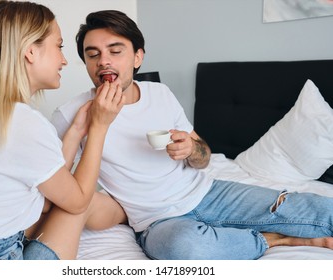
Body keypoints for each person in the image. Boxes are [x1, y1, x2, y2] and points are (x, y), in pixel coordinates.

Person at [51, 9, 333, 260]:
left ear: (138, 56)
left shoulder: (160, 93)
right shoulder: (72, 113)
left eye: (116, 51)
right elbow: (57, 185)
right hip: (156, 220)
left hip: (210, 192)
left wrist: (190, 149)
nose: (104, 62)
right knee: (184, 249)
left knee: (321, 210)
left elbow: (204, 156)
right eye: (93, 54)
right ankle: (272, 240)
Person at [0, 1, 125, 260]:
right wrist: (99, 127)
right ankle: (129, 214)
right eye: (59, 46)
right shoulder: (22, 122)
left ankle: (127, 214)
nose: (63, 59)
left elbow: (49, 198)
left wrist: (75, 132)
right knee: (82, 206)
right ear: (30, 51)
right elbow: (78, 201)